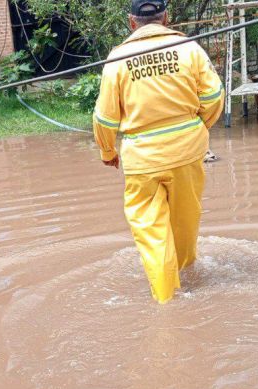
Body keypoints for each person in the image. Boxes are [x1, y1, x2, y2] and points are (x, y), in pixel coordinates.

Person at [93, 0, 224, 304]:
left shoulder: (117, 59)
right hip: (188, 153)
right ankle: (191, 281)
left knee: (153, 236)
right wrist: (198, 128)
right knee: (185, 225)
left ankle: (167, 302)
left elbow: (105, 118)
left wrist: (108, 151)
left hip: (142, 161)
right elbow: (215, 96)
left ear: (131, 22)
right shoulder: (189, 48)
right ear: (166, 17)